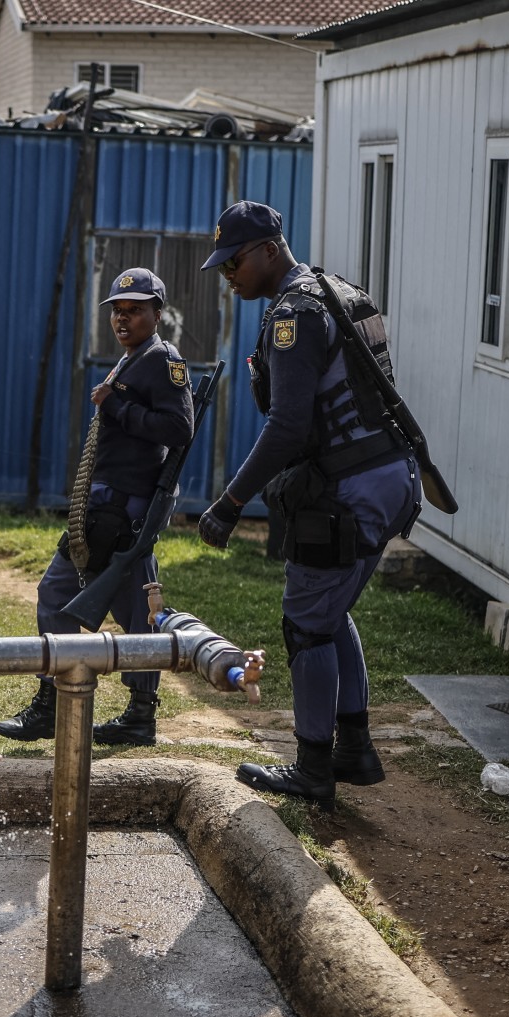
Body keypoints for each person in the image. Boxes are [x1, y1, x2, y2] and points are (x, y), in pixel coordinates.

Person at [195, 201, 422, 810]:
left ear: (270, 249)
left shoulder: (293, 315)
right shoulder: (338, 290)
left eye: (234, 262)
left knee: (305, 625)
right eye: (222, 268)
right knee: (330, 610)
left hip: (352, 489)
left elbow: (289, 427)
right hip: (392, 477)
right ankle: (353, 749)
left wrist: (229, 502)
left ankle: (313, 768)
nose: (229, 276)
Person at [0, 267, 196, 747]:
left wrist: (117, 406)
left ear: (158, 313)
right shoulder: (134, 358)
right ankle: (109, 709)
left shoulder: (161, 358)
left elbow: (179, 428)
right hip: (108, 510)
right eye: (118, 312)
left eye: (136, 310)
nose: (123, 319)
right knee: (125, 614)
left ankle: (75, 706)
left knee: (69, 599)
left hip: (122, 515)